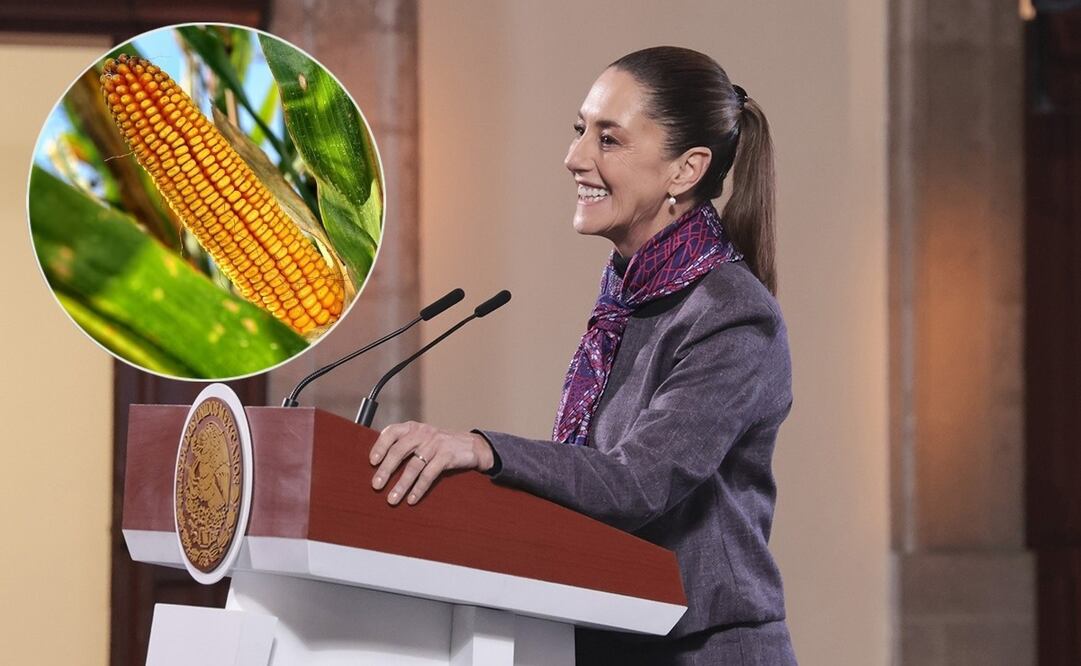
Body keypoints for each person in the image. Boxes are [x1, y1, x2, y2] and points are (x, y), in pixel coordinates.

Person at [368, 46, 796, 665]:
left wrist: (484, 449)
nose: (575, 158)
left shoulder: (732, 314)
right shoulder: (628, 296)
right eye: (580, 131)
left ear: (686, 169)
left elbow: (638, 482)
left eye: (609, 139)